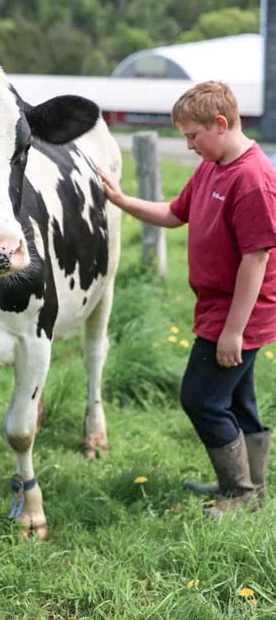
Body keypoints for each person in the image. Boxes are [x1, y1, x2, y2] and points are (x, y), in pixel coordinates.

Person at [97, 81, 276, 518]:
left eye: (193, 136)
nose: (190, 145)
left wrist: (233, 332)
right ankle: (251, 488)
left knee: (201, 399)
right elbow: (175, 214)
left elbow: (256, 259)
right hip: (218, 308)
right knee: (237, 401)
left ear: (220, 123)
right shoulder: (213, 167)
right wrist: (121, 200)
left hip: (240, 314)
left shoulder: (253, 179)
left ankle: (239, 493)